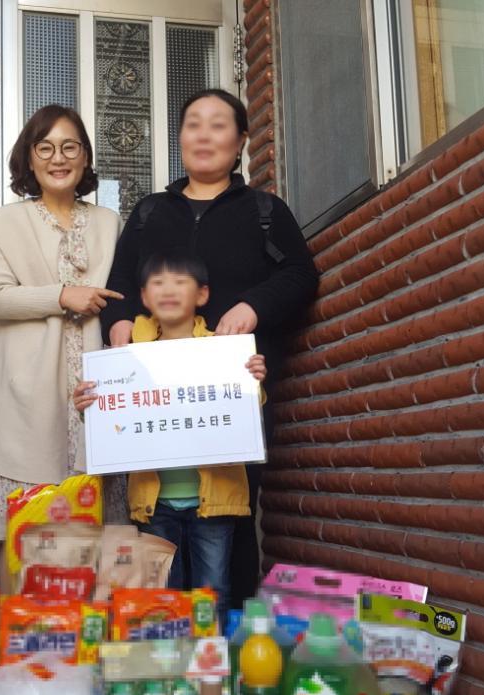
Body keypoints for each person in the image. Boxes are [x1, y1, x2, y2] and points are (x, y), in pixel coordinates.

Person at [100, 88, 319, 608]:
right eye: (193, 124)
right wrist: (118, 324)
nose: (203, 135)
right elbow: (120, 283)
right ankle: (161, 632)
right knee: (155, 516)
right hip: (155, 396)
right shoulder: (150, 213)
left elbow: (300, 275)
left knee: (231, 517)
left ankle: (227, 635)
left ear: (240, 141)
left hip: (232, 394)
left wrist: (253, 307)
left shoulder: (265, 211)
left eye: (218, 125)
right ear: (180, 138)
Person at [0, 105, 124, 572]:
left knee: (98, 542)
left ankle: (91, 619)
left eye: (70, 147)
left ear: (85, 157)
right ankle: (23, 617)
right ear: (30, 158)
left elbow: (127, 301)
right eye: (46, 148)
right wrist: (62, 295)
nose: (59, 158)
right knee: (27, 539)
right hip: (29, 396)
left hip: (96, 397)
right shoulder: (6, 222)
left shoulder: (110, 223)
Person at [75, 251, 266, 622]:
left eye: (180, 281)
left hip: (215, 499)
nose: (169, 289)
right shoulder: (126, 357)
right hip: (154, 501)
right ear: (144, 297)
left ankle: (209, 655)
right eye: (158, 282)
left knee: (213, 592)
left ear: (202, 294)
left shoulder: (224, 350)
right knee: (161, 596)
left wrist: (253, 380)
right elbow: (112, 421)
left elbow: (246, 413)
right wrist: (89, 406)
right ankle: (168, 655)